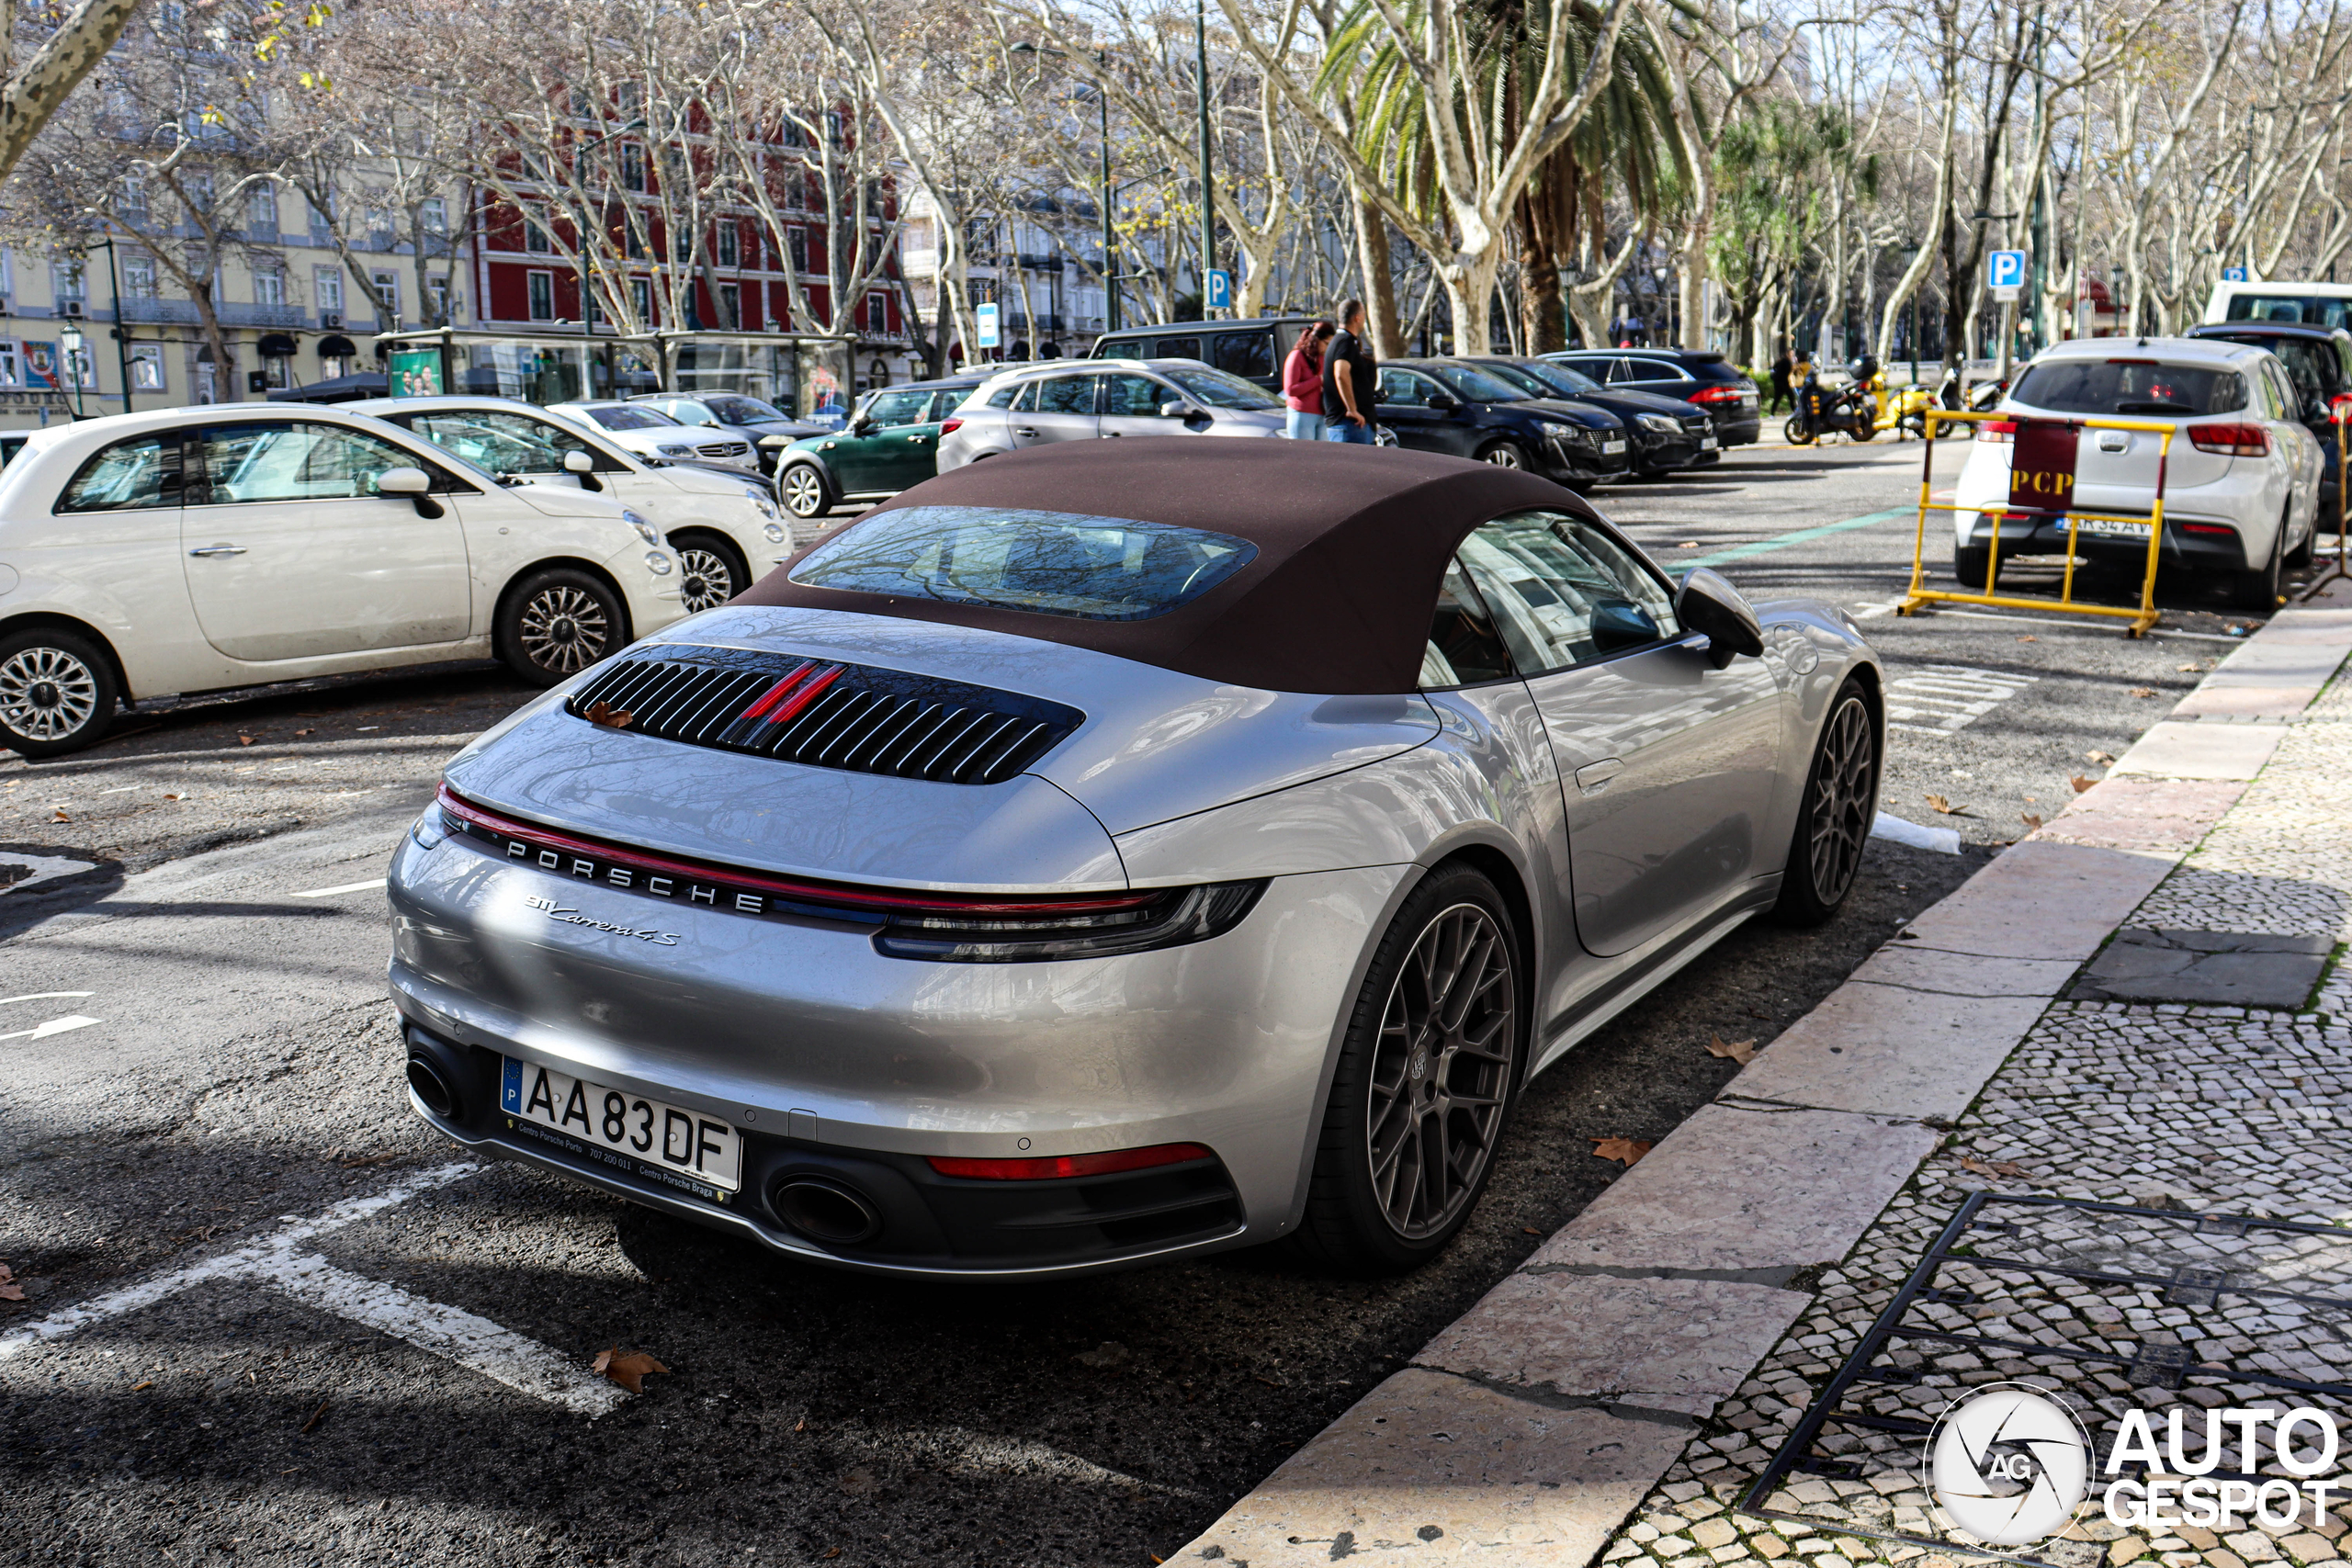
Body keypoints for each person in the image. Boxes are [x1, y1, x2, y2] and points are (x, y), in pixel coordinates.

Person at [1322, 299, 1378, 444]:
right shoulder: (1344, 342)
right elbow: (1340, 373)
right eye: (1364, 315)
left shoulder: (1345, 342)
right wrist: (1352, 409)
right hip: (1349, 426)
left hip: (1353, 426)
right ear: (1357, 318)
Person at [1283, 320, 1334, 439]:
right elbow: (1290, 390)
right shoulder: (1297, 356)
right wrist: (1318, 380)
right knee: (1304, 455)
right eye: (1326, 343)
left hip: (1323, 414)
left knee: (1323, 456)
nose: (1327, 348)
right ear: (1315, 339)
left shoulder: (1323, 357)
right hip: (1302, 414)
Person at [1769, 349, 1792, 415]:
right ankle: (1794, 411)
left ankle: (1772, 414)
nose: (1792, 355)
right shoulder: (1786, 361)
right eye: (1791, 353)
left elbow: (1774, 368)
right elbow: (1786, 372)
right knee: (1791, 397)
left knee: (1777, 399)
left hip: (1778, 383)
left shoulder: (1781, 361)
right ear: (1787, 354)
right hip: (1783, 383)